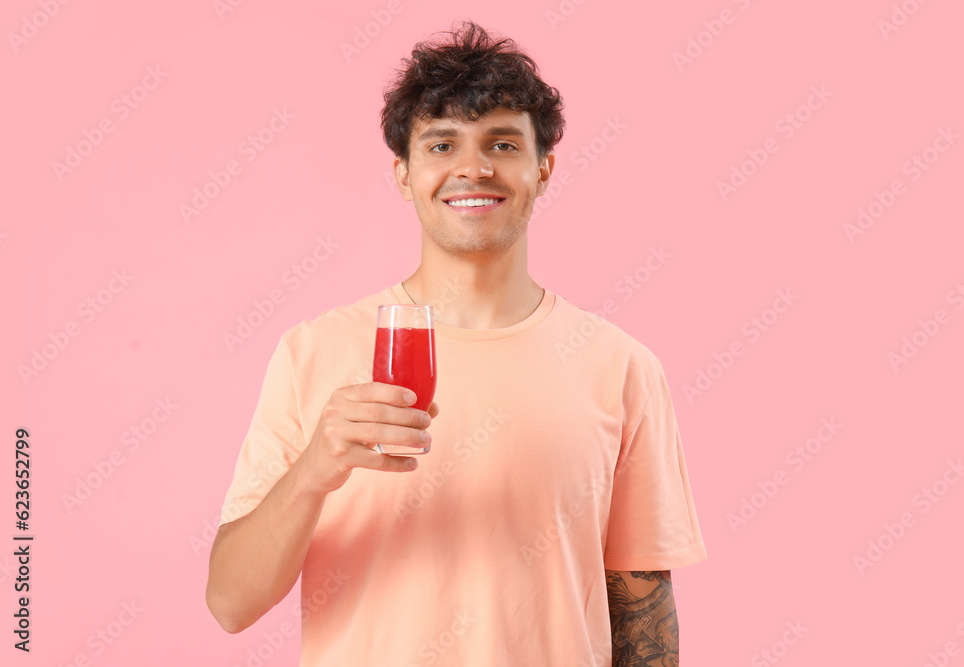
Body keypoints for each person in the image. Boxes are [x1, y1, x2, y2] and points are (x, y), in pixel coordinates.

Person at [207, 20, 707, 666]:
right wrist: (313, 470)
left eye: (501, 143)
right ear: (404, 173)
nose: (473, 167)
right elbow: (230, 602)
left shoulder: (621, 367)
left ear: (543, 168)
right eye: (442, 145)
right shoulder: (313, 352)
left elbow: (642, 611)